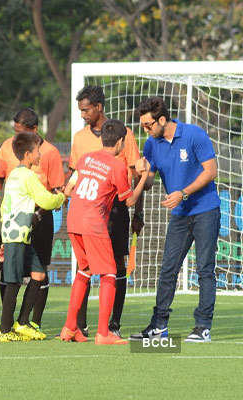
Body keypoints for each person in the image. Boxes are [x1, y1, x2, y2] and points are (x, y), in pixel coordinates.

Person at [130, 96, 220, 343]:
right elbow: (148, 183)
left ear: (162, 119)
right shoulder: (151, 144)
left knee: (204, 270)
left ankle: (202, 327)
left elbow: (211, 171)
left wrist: (183, 193)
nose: (146, 130)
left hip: (205, 211)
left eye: (148, 125)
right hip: (179, 216)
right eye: (143, 126)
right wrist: (140, 173)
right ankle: (159, 326)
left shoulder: (194, 135)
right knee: (168, 270)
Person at [61, 119, 148, 345]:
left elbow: (68, 189)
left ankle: (70, 327)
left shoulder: (86, 158)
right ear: (120, 141)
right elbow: (128, 200)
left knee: (84, 270)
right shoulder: (117, 166)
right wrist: (143, 178)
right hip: (93, 222)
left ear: (102, 139)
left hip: (73, 219)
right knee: (109, 274)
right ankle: (103, 333)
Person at [0, 108, 65, 332]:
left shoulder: (50, 152)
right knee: (10, 275)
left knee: (39, 271)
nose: (16, 137)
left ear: (34, 130)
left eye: (21, 132)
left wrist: (38, 214)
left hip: (38, 221)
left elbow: (53, 188)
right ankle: (8, 326)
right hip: (15, 224)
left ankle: (32, 322)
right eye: (15, 132)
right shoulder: (11, 151)